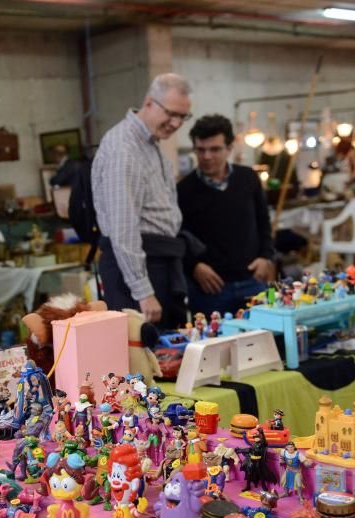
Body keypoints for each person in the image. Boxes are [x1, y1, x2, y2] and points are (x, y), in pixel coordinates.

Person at [92, 73, 196, 328]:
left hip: (160, 260)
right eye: (171, 113)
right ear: (149, 102)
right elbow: (123, 227)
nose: (175, 123)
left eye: (182, 117)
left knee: (170, 355)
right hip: (136, 269)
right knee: (144, 360)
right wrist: (143, 292)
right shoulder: (124, 149)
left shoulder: (149, 143)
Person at [178, 114, 275, 316]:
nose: (206, 156)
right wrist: (193, 266)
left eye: (215, 149)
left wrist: (266, 256)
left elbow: (263, 221)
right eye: (201, 150)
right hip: (210, 289)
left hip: (252, 282)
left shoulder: (248, 178)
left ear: (230, 148)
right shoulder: (183, 191)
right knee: (214, 346)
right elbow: (176, 236)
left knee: (264, 343)